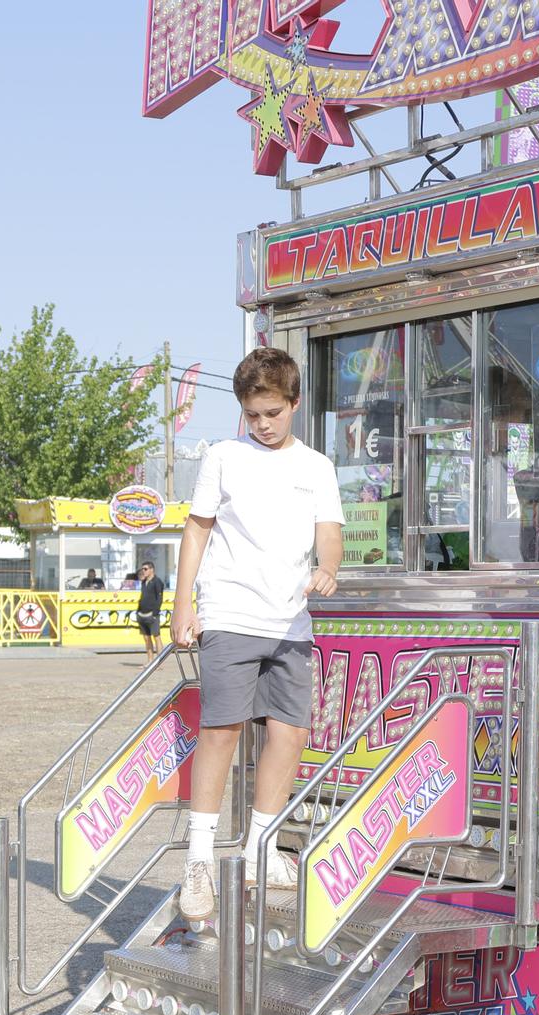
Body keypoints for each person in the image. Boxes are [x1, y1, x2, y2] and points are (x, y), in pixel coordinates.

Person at [171, 347, 343, 922]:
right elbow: (196, 531)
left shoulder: (316, 466)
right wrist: (183, 604)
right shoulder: (223, 456)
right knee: (220, 729)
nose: (264, 424)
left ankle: (261, 848)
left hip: (291, 619)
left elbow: (331, 533)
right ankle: (197, 861)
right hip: (230, 611)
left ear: (295, 403)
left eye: (272, 412)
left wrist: (328, 567)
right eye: (253, 415)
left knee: (291, 734)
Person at [134, 560, 166, 658]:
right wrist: (138, 611)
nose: (143, 571)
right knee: (146, 638)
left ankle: (159, 662)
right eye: (142, 569)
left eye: (146, 569)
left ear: (152, 570)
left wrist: (155, 612)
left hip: (152, 615)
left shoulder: (157, 582)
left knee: (156, 637)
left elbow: (159, 598)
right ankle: (150, 660)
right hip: (142, 614)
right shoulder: (144, 582)